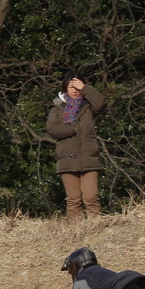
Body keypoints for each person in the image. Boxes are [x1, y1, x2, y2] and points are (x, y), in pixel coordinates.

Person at [45, 70, 106, 221]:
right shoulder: (57, 108)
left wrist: (85, 88)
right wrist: (73, 129)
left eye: (77, 87)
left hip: (89, 157)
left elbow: (101, 103)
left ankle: (96, 229)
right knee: (73, 200)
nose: (74, 90)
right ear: (65, 88)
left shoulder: (89, 107)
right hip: (67, 158)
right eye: (71, 87)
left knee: (92, 197)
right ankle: (75, 233)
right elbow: (52, 129)